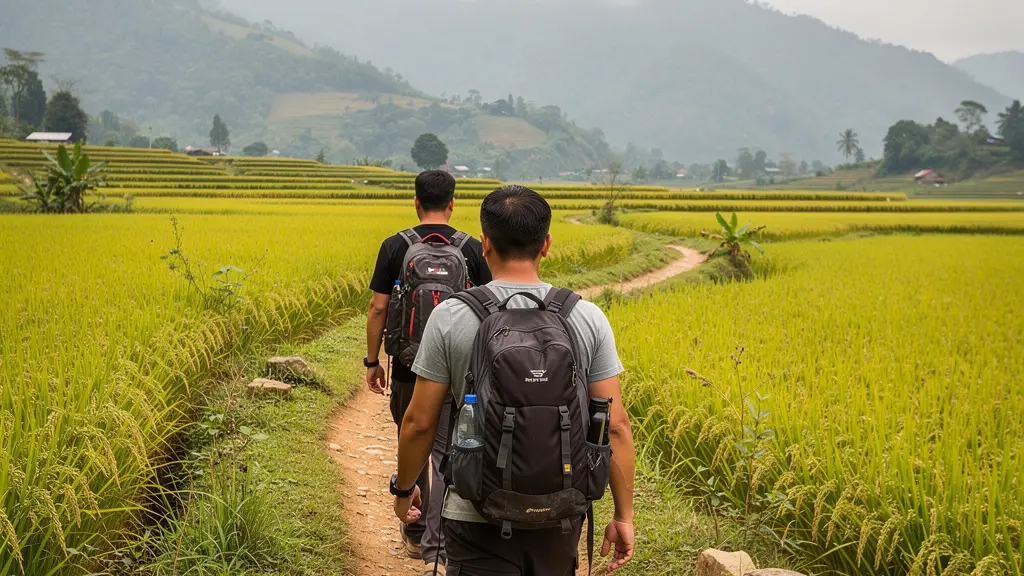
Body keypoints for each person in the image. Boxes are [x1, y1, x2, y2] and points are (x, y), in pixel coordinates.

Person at [391, 185, 636, 575]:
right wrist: (624, 516)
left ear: (485, 243)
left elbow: (420, 423)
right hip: (561, 512)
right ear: (547, 244)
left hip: (474, 512)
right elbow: (616, 426)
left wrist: (404, 492)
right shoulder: (586, 317)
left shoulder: (452, 316)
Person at [366, 170, 492, 572]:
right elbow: (490, 311)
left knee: (413, 436)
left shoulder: (395, 246)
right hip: (459, 367)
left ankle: (418, 533)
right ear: (453, 203)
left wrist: (372, 362)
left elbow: (378, 308)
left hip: (407, 364)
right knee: (447, 451)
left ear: (415, 202)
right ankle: (442, 539)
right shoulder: (471, 248)